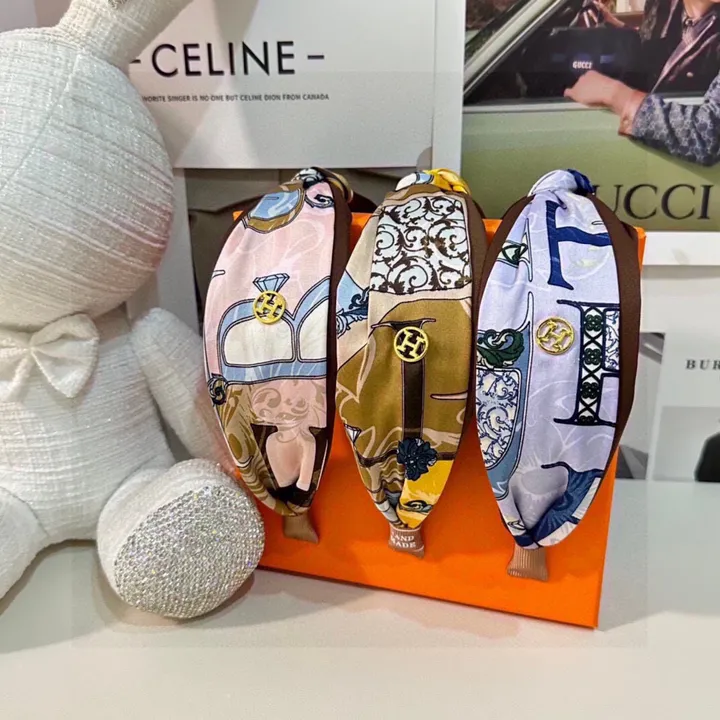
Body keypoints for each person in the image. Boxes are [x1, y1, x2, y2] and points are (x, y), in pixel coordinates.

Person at [565, 0, 720, 165]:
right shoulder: (662, 6)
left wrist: (615, 95)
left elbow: (709, 135)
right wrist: (618, 28)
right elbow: (663, 53)